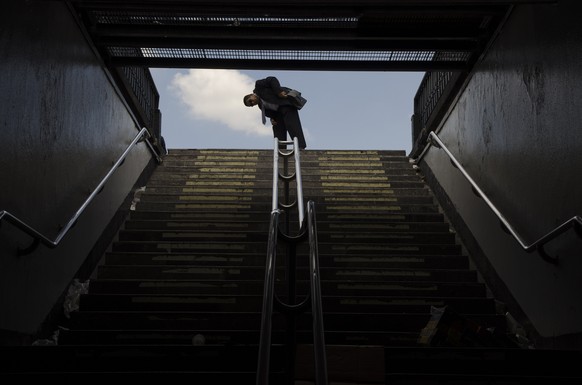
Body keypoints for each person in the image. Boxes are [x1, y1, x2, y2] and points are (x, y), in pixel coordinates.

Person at [243, 76, 307, 149]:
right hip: (278, 113)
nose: (252, 103)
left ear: (251, 95)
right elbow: (271, 113)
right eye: (251, 105)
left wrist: (278, 91)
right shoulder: (261, 106)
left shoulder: (259, 86)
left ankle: (300, 146)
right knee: (277, 127)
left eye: (250, 101)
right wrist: (272, 119)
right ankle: (281, 149)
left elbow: (272, 79)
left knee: (292, 124)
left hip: (285, 103)